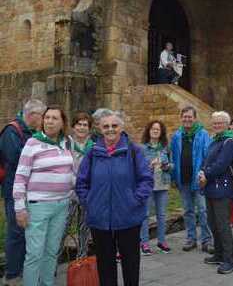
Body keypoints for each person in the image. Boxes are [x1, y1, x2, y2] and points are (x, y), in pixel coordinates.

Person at [76, 109, 153, 286]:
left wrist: (135, 200)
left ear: (121, 127)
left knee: (131, 263)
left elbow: (146, 180)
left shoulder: (134, 151)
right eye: (106, 126)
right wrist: (89, 202)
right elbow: (82, 181)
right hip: (100, 219)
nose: (110, 129)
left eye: (114, 125)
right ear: (100, 129)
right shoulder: (93, 152)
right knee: (105, 264)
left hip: (128, 217)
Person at [13, 106, 74, 286]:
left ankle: (47, 283)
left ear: (62, 123)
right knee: (34, 253)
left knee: (52, 251)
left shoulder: (67, 143)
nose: (49, 121)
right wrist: (20, 208)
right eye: (47, 117)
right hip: (38, 206)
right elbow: (20, 176)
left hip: (62, 205)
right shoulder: (33, 143)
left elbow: (71, 171)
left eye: (55, 118)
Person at [0, 99, 46, 286]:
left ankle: (26, 272)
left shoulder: (31, 132)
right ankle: (12, 275)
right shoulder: (11, 132)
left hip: (30, 191)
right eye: (42, 116)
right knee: (16, 232)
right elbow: (16, 160)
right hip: (13, 191)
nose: (44, 120)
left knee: (27, 232)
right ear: (32, 115)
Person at [200, 111, 233, 274]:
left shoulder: (230, 141)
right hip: (209, 187)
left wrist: (205, 174)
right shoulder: (214, 140)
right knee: (213, 223)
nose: (216, 125)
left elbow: (222, 164)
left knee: (223, 225)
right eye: (214, 122)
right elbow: (206, 160)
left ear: (227, 124)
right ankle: (219, 253)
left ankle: (230, 260)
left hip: (222, 188)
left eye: (220, 122)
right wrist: (201, 172)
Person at [170, 106, 212, 252]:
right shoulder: (176, 136)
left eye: (190, 117)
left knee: (203, 210)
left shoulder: (203, 134)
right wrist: (173, 177)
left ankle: (207, 240)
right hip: (183, 179)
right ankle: (191, 238)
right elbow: (173, 157)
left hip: (199, 179)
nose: (187, 119)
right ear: (181, 118)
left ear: (195, 118)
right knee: (188, 211)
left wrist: (205, 173)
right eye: (184, 117)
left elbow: (208, 155)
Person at [58, 112, 94, 261]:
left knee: (84, 230)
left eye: (85, 125)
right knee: (62, 229)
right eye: (79, 124)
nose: (82, 127)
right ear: (73, 127)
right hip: (68, 193)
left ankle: (82, 261)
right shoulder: (65, 144)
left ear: (89, 129)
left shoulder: (94, 147)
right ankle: (53, 263)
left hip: (86, 194)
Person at [140, 120, 174, 255]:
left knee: (161, 214)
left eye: (158, 129)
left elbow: (173, 165)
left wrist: (167, 166)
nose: (155, 131)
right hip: (148, 185)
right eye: (153, 129)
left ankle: (161, 241)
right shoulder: (142, 148)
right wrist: (148, 166)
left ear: (161, 133)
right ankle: (145, 243)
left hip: (162, 184)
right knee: (145, 215)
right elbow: (138, 168)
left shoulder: (165, 148)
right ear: (149, 131)